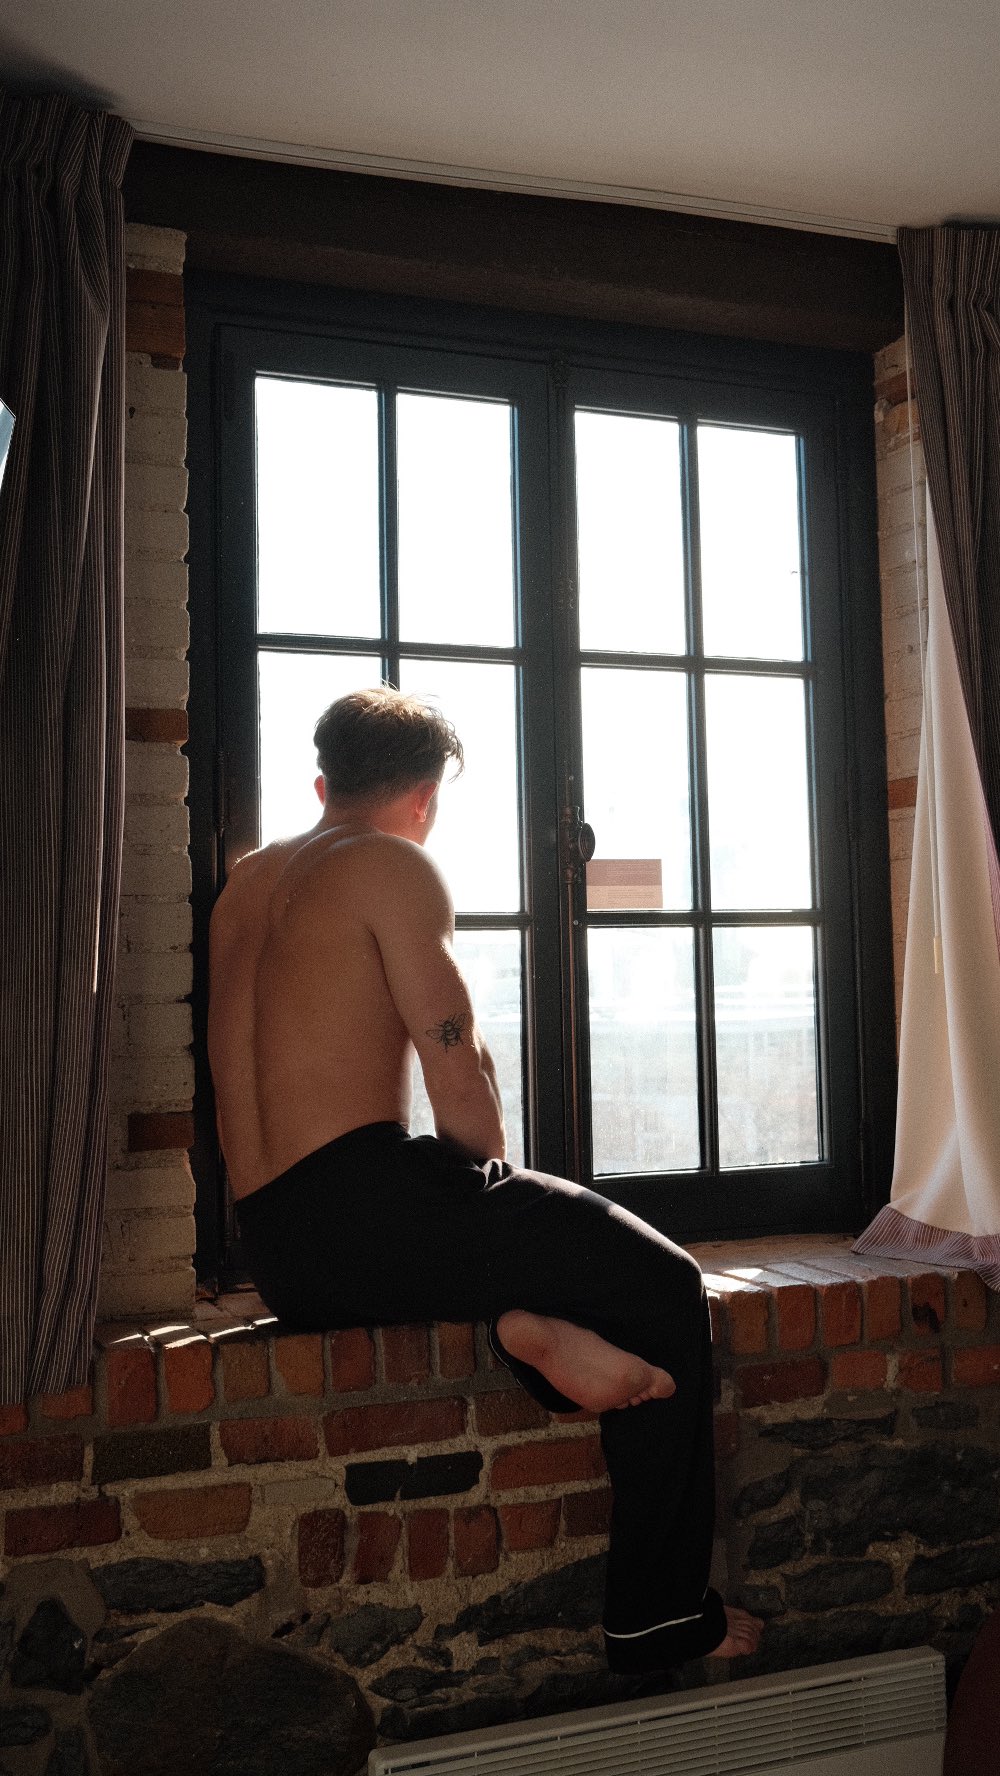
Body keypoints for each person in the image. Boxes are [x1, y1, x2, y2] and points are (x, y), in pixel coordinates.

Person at [208, 687, 763, 1671]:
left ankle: (522, 1328)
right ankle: (661, 1616)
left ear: (323, 782)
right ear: (424, 796)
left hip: (280, 1253)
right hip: (368, 1207)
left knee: (534, 1248)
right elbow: (454, 1067)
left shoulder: (245, 884)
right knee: (664, 1282)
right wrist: (498, 1188)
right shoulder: (391, 862)